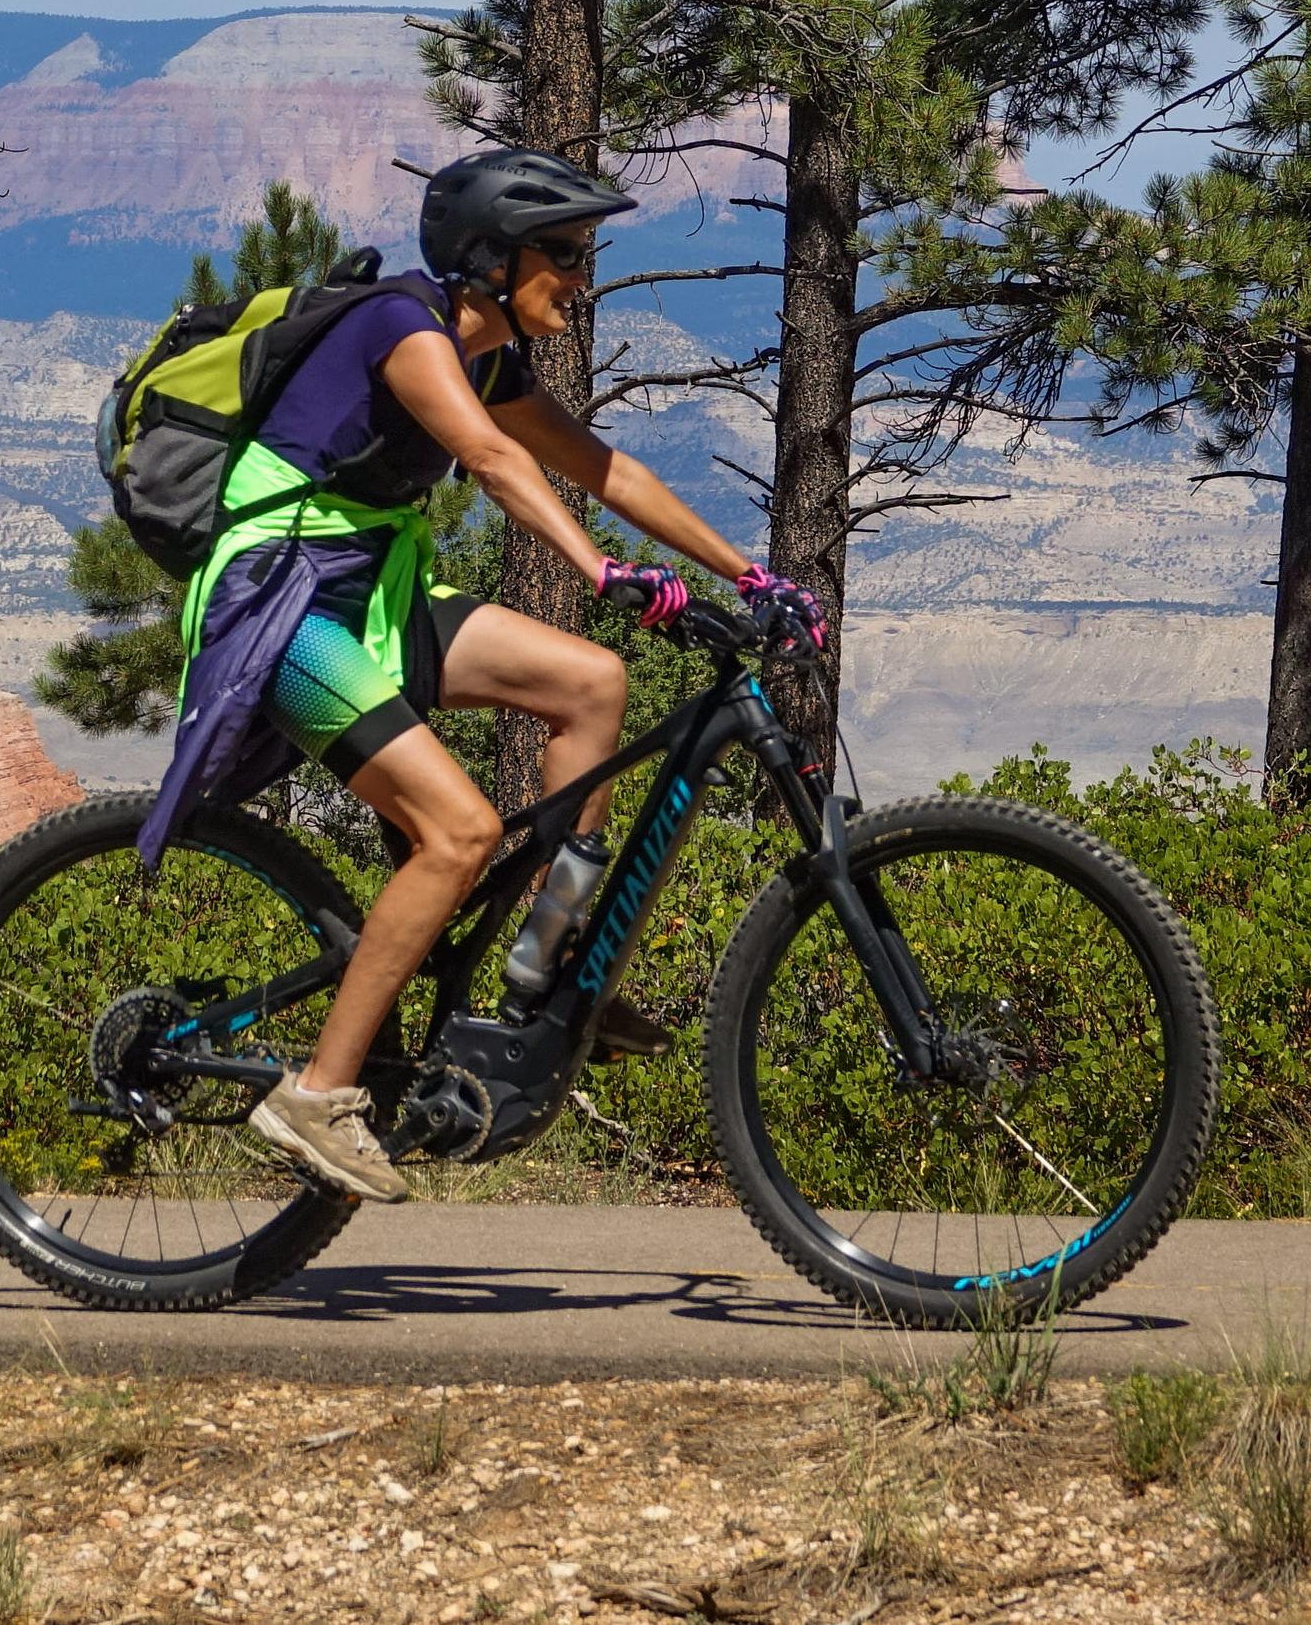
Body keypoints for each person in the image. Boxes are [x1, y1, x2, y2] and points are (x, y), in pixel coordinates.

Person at [132, 147, 824, 1204]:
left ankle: (550, 962)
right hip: (279, 607)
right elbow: (497, 464)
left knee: (591, 684)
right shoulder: (399, 328)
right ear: (492, 256)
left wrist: (752, 572)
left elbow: (607, 468)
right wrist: (599, 569)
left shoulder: (487, 358)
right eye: (564, 255)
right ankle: (316, 1092)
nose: (580, 279)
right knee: (457, 833)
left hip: (367, 594)